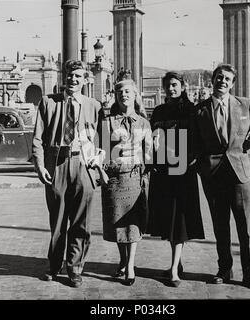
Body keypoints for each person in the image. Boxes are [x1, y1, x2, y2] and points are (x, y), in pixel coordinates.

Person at [194, 64, 250, 291]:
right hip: (213, 177)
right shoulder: (200, 110)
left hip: (239, 174)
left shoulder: (245, 105)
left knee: (246, 226)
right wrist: (200, 165)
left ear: (232, 84)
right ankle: (224, 269)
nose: (223, 81)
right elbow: (193, 141)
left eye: (227, 79)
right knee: (220, 225)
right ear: (212, 80)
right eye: (219, 77)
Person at [32, 59, 103, 288]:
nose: (73, 79)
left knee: (81, 222)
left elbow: (102, 142)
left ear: (85, 80)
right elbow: (37, 139)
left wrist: (98, 164)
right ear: (64, 77)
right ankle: (54, 266)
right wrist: (40, 166)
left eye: (78, 76)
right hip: (58, 165)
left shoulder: (94, 106)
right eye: (70, 75)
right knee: (59, 220)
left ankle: (75, 268)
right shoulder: (48, 103)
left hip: (84, 166)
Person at [147, 72, 205, 287]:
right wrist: (153, 134)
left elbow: (200, 139)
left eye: (174, 85)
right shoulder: (160, 111)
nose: (170, 89)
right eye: (167, 85)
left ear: (182, 86)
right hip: (163, 171)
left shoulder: (192, 110)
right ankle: (176, 263)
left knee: (180, 220)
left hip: (183, 171)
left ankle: (173, 270)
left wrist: (194, 159)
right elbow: (153, 134)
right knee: (169, 220)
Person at [100, 72, 152, 286]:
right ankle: (123, 260)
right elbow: (101, 150)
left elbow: (149, 154)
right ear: (115, 95)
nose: (124, 95)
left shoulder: (144, 123)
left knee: (133, 223)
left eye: (128, 91)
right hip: (113, 179)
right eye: (119, 92)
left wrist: (146, 172)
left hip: (134, 178)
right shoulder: (107, 122)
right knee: (117, 223)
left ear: (135, 95)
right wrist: (101, 172)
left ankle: (130, 265)